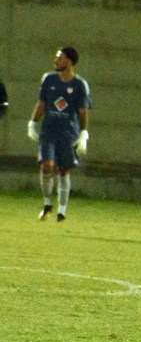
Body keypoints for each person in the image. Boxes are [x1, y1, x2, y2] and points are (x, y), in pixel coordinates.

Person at [28, 46, 91, 222]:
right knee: (47, 165)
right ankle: (47, 204)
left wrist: (83, 133)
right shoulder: (49, 79)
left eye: (60, 57)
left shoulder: (79, 85)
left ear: (69, 61)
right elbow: (42, 102)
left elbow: (83, 111)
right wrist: (33, 122)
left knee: (64, 170)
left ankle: (62, 210)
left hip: (68, 133)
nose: (56, 60)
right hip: (49, 131)